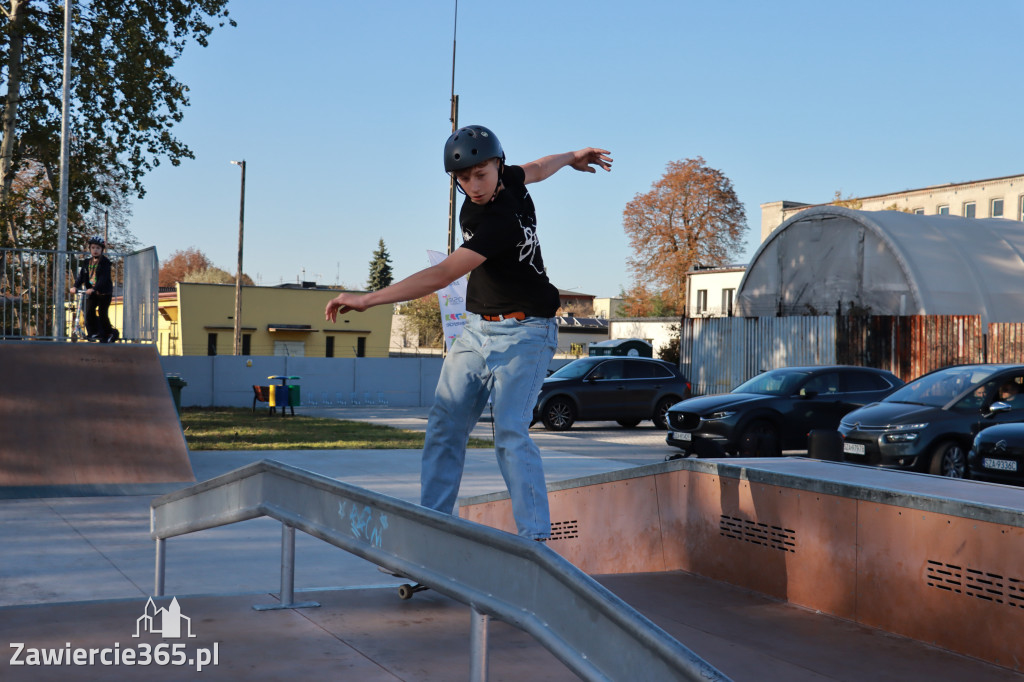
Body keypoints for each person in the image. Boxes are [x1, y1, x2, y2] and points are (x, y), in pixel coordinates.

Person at [326, 125, 611, 539]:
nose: (473, 186)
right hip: (476, 331)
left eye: (480, 175)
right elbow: (536, 168)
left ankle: (535, 543)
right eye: (463, 179)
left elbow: (441, 274)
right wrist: (571, 156)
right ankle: (434, 535)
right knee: (444, 427)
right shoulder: (508, 178)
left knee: (511, 430)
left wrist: (368, 299)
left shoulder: (499, 221)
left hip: (526, 333)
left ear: (496, 164)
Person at [69, 235, 116, 342]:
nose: (95, 250)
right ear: (90, 249)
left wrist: (95, 288)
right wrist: (75, 286)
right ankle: (94, 333)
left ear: (102, 250)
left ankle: (109, 332)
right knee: (89, 312)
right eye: (93, 248)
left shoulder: (105, 263)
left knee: (102, 312)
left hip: (104, 293)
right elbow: (81, 276)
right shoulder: (87, 262)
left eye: (98, 248)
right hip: (92, 292)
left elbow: (103, 278)